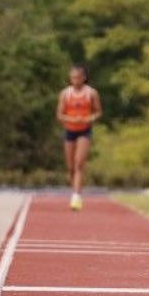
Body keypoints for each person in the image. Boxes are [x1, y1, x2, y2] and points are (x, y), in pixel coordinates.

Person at [56, 65, 103, 212]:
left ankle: (76, 196)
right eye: (72, 78)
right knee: (70, 167)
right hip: (69, 130)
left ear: (83, 78)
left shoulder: (91, 93)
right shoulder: (65, 94)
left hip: (84, 131)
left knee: (79, 163)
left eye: (77, 77)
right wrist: (71, 119)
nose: (75, 80)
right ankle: (74, 191)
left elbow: (98, 112)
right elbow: (59, 114)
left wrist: (88, 118)